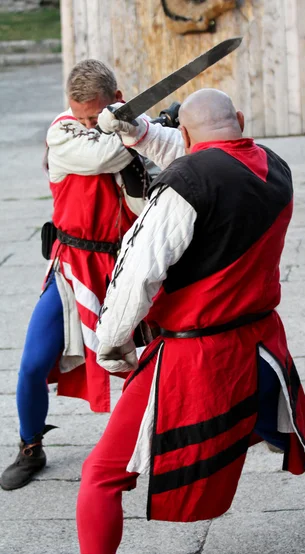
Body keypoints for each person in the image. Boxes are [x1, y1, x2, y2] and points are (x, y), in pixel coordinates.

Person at [65, 89, 305, 554]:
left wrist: (112, 346)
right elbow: (206, 164)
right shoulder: (272, 165)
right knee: (296, 434)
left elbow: (138, 275)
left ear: (189, 135)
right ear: (240, 121)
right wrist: (135, 133)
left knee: (103, 473)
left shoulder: (188, 183)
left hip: (194, 356)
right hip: (259, 345)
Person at [0, 59, 158, 491]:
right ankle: (30, 445)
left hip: (127, 266)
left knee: (153, 362)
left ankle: (170, 435)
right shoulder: (63, 133)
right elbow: (106, 154)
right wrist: (146, 131)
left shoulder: (132, 128)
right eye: (81, 115)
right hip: (72, 266)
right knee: (34, 362)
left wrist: (148, 131)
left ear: (117, 101)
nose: (87, 123)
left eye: (96, 115)